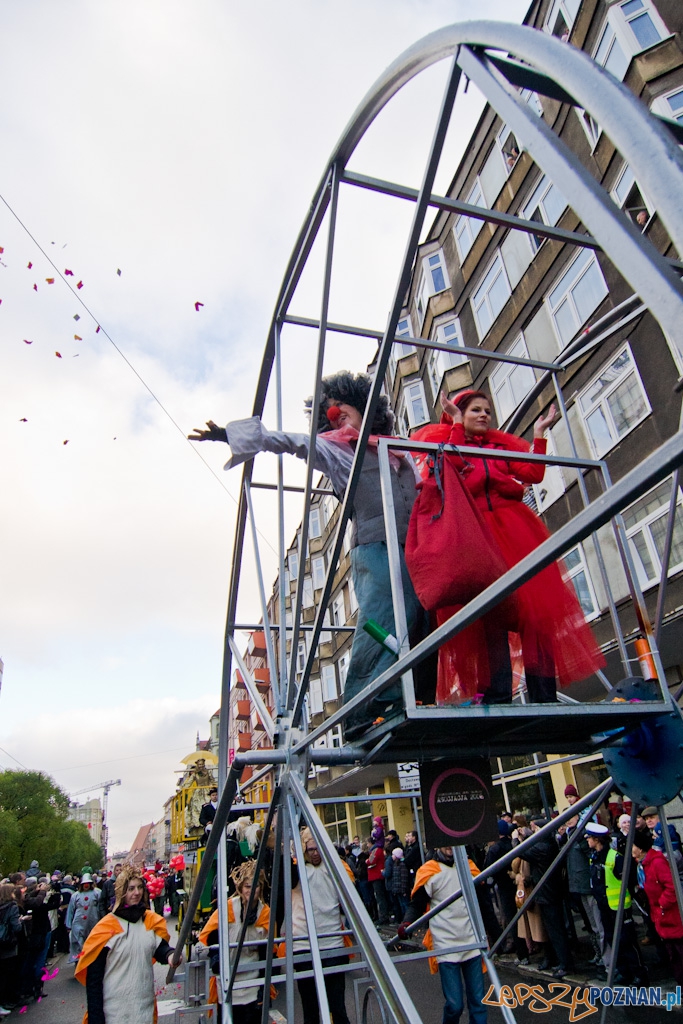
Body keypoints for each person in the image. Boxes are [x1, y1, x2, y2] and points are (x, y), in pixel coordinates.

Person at [189, 370, 429, 738]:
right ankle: (358, 707)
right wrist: (229, 434)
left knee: (418, 618)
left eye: (343, 406)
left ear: (365, 407)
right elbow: (291, 442)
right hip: (375, 547)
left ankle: (404, 697)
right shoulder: (336, 448)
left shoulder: (396, 450)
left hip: (413, 548)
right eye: (330, 409)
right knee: (382, 618)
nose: (335, 412)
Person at [414, 390, 604, 704]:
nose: (484, 415)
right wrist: (457, 424)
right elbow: (450, 466)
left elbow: (533, 473)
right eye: (476, 410)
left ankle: (544, 694)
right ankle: (497, 691)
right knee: (492, 613)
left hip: (517, 530)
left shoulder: (499, 447)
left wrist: (539, 434)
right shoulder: (450, 445)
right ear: (460, 414)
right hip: (481, 535)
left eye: (487, 410)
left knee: (537, 613)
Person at [75, 866, 176, 1024]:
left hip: (144, 1010)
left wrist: (170, 954)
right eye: (131, 889)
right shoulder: (106, 928)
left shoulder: (149, 921)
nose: (137, 893)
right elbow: (94, 980)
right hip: (115, 1014)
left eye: (139, 887)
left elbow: (159, 948)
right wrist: (96, 1019)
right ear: (121, 892)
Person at [398, 846, 487, 1024]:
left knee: (478, 1004)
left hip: (471, 941)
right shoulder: (430, 871)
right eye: (445, 842)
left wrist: (497, 935)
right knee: (454, 1005)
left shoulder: (468, 867)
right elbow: (417, 904)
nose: (449, 846)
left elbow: (484, 905)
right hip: (446, 944)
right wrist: (407, 923)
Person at [279, 828, 351, 1024]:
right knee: (310, 1009)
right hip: (304, 946)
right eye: (311, 849)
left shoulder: (336, 867)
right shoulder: (296, 871)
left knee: (338, 1008)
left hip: (333, 944)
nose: (315, 853)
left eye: (318, 848)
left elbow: (351, 901)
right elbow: (283, 875)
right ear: (304, 849)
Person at [197, 860, 271, 1022]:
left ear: (261, 888)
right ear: (240, 888)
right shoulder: (227, 908)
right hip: (227, 983)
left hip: (253, 982)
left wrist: (264, 987)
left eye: (255, 886)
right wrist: (215, 957)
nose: (251, 891)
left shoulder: (265, 913)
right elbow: (210, 937)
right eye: (247, 887)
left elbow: (269, 952)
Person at [586, 822, 643, 983]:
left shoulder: (614, 857)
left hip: (619, 906)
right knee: (612, 940)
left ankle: (638, 973)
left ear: (597, 839)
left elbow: (628, 879)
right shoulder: (594, 857)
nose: (587, 840)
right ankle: (624, 973)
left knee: (627, 941)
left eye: (589, 837)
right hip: (605, 906)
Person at [633, 831, 683, 983]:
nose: (630, 849)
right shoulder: (644, 864)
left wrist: (661, 905)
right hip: (662, 917)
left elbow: (671, 887)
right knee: (673, 956)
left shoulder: (656, 862)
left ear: (640, 848)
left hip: (671, 916)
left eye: (633, 845)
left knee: (679, 954)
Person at [66, 873, 102, 964]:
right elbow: (70, 910)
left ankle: (92, 961)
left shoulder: (97, 893)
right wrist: (68, 924)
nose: (86, 885)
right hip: (79, 922)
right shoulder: (75, 895)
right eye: (84, 883)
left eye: (88, 883)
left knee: (92, 942)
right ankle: (79, 962)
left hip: (93, 920)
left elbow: (101, 908)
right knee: (78, 942)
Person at [0, 884, 23, 1014]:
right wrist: (20, 920)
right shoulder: (12, 906)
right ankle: (7, 1001)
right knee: (8, 974)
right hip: (8, 943)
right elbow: (16, 927)